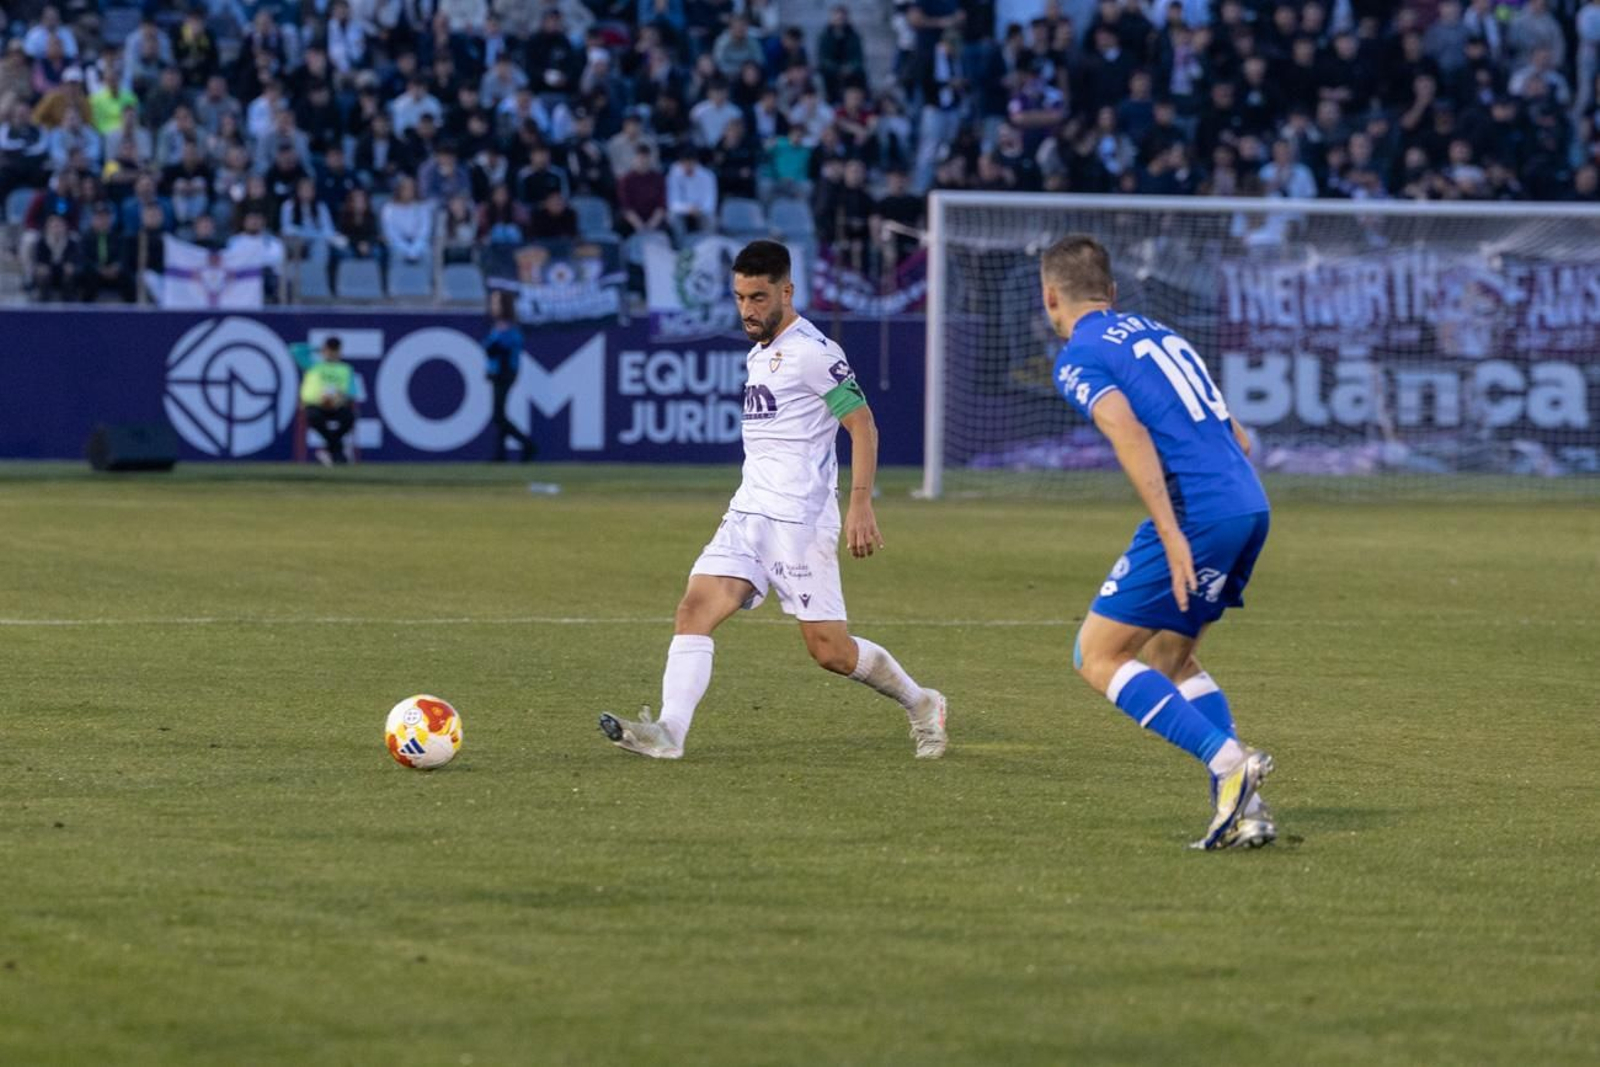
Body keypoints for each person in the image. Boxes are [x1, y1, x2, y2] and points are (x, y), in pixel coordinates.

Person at [598, 240, 947, 761]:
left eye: (758, 297)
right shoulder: (759, 353)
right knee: (693, 611)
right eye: (740, 297)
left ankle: (922, 703)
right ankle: (670, 732)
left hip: (800, 523)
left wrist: (860, 504)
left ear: (787, 290)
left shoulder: (814, 352)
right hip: (748, 514)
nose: (747, 310)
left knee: (830, 651)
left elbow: (863, 425)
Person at [1039, 235, 1275, 851]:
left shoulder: (1079, 355)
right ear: (1112, 294)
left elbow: (1127, 430)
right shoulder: (1161, 335)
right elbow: (1241, 439)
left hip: (1197, 514)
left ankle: (1229, 764)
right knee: (1172, 658)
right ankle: (1245, 811)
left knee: (1097, 655)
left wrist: (1172, 535)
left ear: (1050, 298)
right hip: (1248, 503)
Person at [482, 291, 537, 462]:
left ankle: (528, 444)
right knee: (500, 415)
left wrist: (495, 348)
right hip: (497, 373)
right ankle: (500, 454)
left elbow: (499, 349)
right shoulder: (498, 327)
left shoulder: (510, 329)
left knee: (498, 415)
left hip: (504, 374)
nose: (493, 306)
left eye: (496, 303)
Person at [300, 337, 357, 466]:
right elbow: (294, 350)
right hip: (315, 405)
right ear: (324, 350)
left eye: (334, 350)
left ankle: (328, 450)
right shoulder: (313, 365)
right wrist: (317, 349)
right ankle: (337, 450)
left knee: (349, 417)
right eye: (329, 349)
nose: (332, 353)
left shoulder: (345, 369)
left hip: (336, 405)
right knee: (313, 417)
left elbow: (352, 392)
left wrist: (340, 399)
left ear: (339, 352)